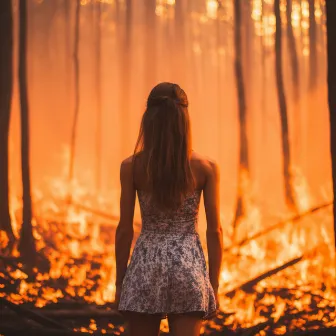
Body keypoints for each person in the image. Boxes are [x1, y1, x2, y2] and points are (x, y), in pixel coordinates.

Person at [114, 82, 224, 336]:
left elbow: (124, 230)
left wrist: (120, 282)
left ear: (148, 120)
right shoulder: (206, 167)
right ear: (185, 119)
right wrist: (213, 285)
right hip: (188, 267)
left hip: (145, 267)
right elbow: (215, 231)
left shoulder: (132, 167)